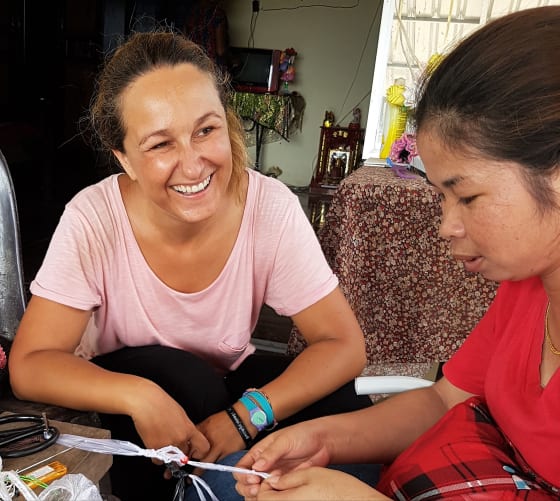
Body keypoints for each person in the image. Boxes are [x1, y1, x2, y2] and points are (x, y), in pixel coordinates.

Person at [7, 30, 372, 500]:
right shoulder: (94, 218)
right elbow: (30, 364)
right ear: (126, 160)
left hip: (219, 393)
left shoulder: (269, 207)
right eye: (160, 144)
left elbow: (343, 345)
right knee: (178, 377)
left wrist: (244, 419)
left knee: (337, 401)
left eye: (206, 130)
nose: (194, 164)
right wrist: (139, 396)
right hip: (125, 406)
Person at [233, 6, 560, 500]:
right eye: (441, 197)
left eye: (467, 197)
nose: (446, 227)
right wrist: (323, 437)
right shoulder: (528, 288)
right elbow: (444, 400)